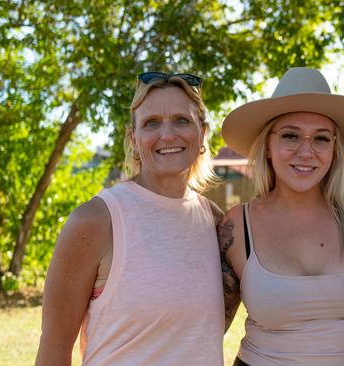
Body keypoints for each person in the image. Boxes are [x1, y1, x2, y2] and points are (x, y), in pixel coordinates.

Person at [35, 72, 225, 365]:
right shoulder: (97, 220)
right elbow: (55, 348)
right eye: (152, 123)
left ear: (202, 134)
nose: (168, 134)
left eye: (182, 120)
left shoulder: (215, 222)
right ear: (133, 139)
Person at [218, 67, 344, 366]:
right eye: (291, 135)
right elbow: (207, 328)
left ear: (335, 148)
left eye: (320, 138)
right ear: (267, 145)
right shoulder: (237, 226)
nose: (306, 152)